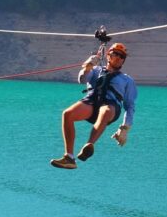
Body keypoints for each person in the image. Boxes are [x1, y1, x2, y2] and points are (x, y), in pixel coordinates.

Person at [50, 41, 137, 169]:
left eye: (122, 56)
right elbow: (82, 79)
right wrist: (88, 66)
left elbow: (130, 106)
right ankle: (69, 157)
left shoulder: (127, 80)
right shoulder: (96, 70)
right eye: (116, 54)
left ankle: (89, 145)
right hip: (91, 102)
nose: (118, 57)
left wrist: (125, 128)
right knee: (67, 114)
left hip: (111, 105)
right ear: (108, 55)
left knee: (106, 110)